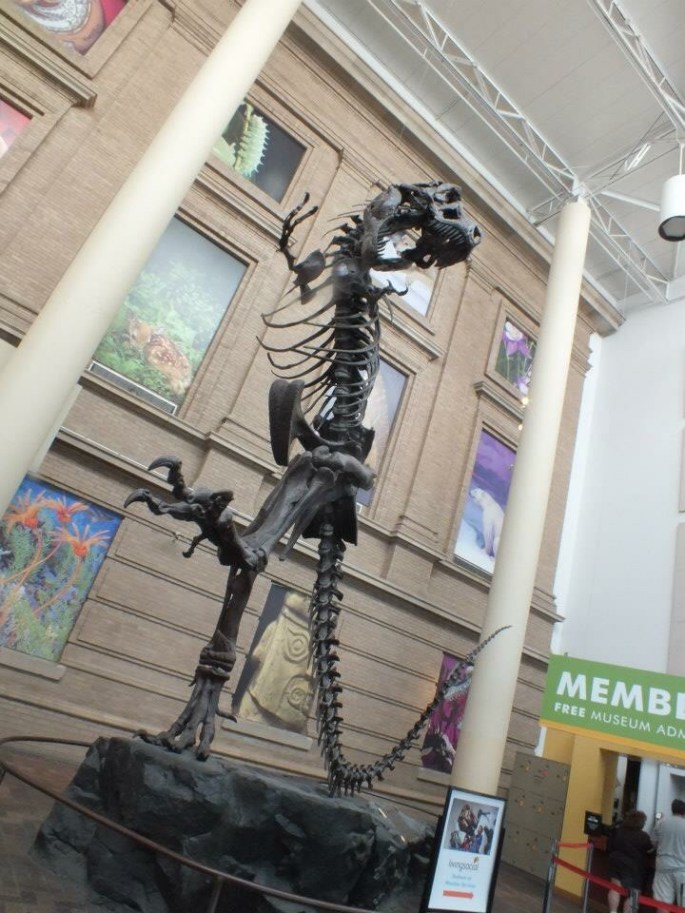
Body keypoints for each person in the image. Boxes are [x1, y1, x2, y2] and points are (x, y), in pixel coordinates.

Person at [607, 809, 653, 913]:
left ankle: (613, 911)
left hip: (615, 862)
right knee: (633, 893)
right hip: (633, 868)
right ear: (641, 823)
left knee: (615, 888)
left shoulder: (619, 830)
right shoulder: (643, 836)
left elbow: (610, 844)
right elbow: (650, 848)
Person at [652, 798, 685, 907]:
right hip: (682, 870)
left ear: (672, 809)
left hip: (663, 868)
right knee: (683, 905)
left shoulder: (661, 823)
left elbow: (654, 843)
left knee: (663, 904)